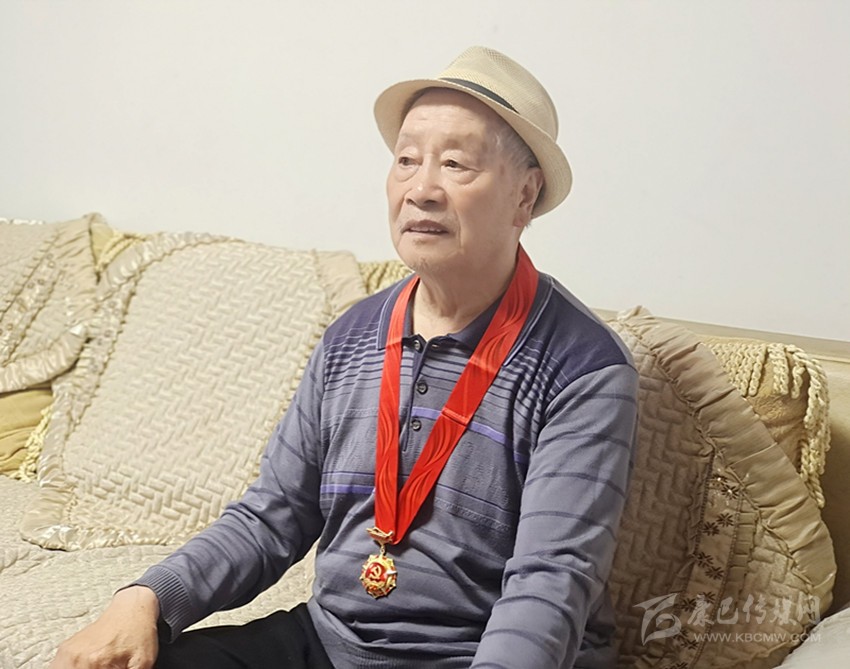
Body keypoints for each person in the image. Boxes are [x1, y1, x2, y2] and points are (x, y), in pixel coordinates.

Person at [51, 45, 639, 669]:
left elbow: (550, 582)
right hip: (331, 641)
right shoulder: (351, 337)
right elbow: (272, 517)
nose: (421, 189)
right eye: (406, 160)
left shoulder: (584, 368)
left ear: (525, 195)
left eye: (455, 164)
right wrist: (142, 600)